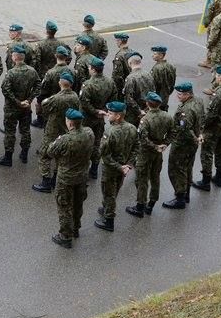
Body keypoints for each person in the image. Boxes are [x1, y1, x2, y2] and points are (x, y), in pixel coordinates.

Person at [49, 108, 95, 248]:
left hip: (66, 179)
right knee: (77, 203)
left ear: (69, 123)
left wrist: (57, 140)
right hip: (82, 176)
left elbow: (50, 151)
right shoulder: (89, 133)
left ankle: (65, 236)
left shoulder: (65, 139)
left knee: (64, 206)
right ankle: (75, 228)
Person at [125, 91, 174, 217]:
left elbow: (143, 139)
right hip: (158, 153)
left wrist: (155, 146)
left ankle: (140, 206)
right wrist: (164, 144)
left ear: (147, 103)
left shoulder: (145, 119)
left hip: (145, 153)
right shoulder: (167, 117)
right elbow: (172, 133)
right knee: (155, 177)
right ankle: (151, 204)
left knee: (142, 179)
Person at [32, 70, 80, 193]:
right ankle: (55, 178)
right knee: (60, 155)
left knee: (45, 154)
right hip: (66, 129)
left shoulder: (56, 98)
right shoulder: (75, 96)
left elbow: (44, 107)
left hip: (53, 129)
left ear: (60, 83)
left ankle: (45, 182)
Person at [94, 101, 138, 232]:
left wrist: (120, 167)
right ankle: (106, 208)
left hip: (111, 168)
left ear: (118, 116)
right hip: (123, 167)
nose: (108, 114)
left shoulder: (110, 131)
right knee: (115, 189)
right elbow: (136, 148)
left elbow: (105, 154)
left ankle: (108, 220)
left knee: (109, 193)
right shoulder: (132, 128)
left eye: (111, 113)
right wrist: (128, 165)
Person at [193, 67, 221, 191]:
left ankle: (205, 181)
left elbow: (210, 115)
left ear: (219, 77)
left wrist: (202, 128)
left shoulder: (219, 94)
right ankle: (219, 178)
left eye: (216, 75)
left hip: (214, 128)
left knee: (207, 153)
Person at [0, 45, 39, 168]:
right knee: (25, 130)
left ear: (14, 57)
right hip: (26, 107)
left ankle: (8, 158)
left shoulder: (11, 73)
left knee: (10, 132)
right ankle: (24, 154)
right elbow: (38, 86)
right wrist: (29, 100)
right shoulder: (32, 71)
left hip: (12, 108)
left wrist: (17, 102)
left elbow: (6, 90)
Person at [161, 82, 204, 210]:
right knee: (187, 167)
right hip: (193, 144)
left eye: (180, 94)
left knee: (176, 169)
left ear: (188, 94)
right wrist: (200, 135)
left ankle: (180, 197)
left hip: (182, 144)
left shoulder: (185, 110)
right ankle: (186, 194)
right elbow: (202, 118)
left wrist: (195, 138)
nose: (177, 96)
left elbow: (185, 129)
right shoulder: (199, 101)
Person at [78, 57, 114, 178]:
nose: (88, 69)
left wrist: (95, 111)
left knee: (84, 143)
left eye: (89, 67)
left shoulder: (87, 84)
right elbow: (113, 100)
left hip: (87, 118)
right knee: (97, 143)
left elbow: (84, 102)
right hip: (100, 119)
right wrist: (103, 111)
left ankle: (82, 169)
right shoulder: (110, 82)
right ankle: (94, 169)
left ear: (93, 69)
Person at [32, 45, 71, 132]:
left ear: (55, 55)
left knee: (50, 129)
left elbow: (43, 91)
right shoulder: (72, 71)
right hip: (68, 102)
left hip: (53, 103)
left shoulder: (50, 73)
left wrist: (39, 103)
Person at [122, 53, 155, 127]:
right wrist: (146, 110)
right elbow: (153, 93)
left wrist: (139, 111)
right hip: (147, 110)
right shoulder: (149, 75)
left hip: (133, 114)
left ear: (129, 63)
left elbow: (129, 98)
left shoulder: (130, 78)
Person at [149, 46, 177, 110]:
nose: (152, 55)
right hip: (166, 95)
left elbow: (153, 85)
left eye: (155, 54)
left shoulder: (157, 68)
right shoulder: (171, 66)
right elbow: (173, 82)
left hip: (156, 97)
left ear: (161, 55)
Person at [110, 33, 131, 99]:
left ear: (120, 41)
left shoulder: (119, 56)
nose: (116, 42)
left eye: (117, 41)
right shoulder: (131, 51)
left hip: (123, 86)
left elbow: (117, 76)